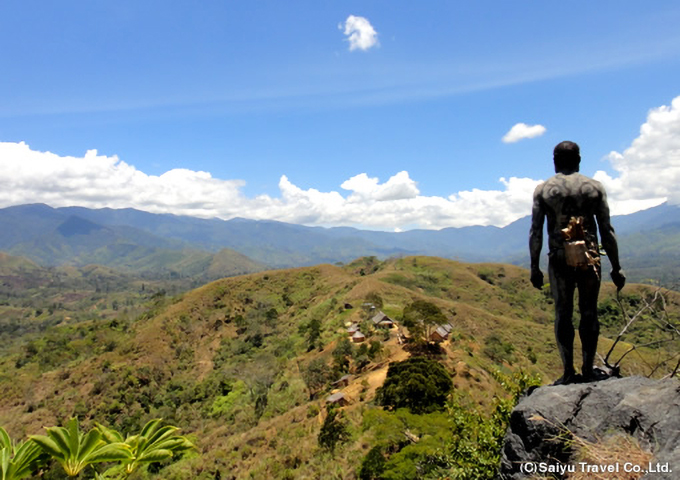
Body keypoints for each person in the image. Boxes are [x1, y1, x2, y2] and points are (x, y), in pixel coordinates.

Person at [529, 141, 626, 385]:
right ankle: (588, 369)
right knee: (589, 312)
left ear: (555, 160)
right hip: (589, 256)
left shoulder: (544, 190)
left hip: (559, 256)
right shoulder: (593, 188)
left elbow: (536, 232)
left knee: (563, 313)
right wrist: (616, 266)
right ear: (579, 159)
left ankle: (568, 372)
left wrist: (534, 266)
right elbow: (607, 229)